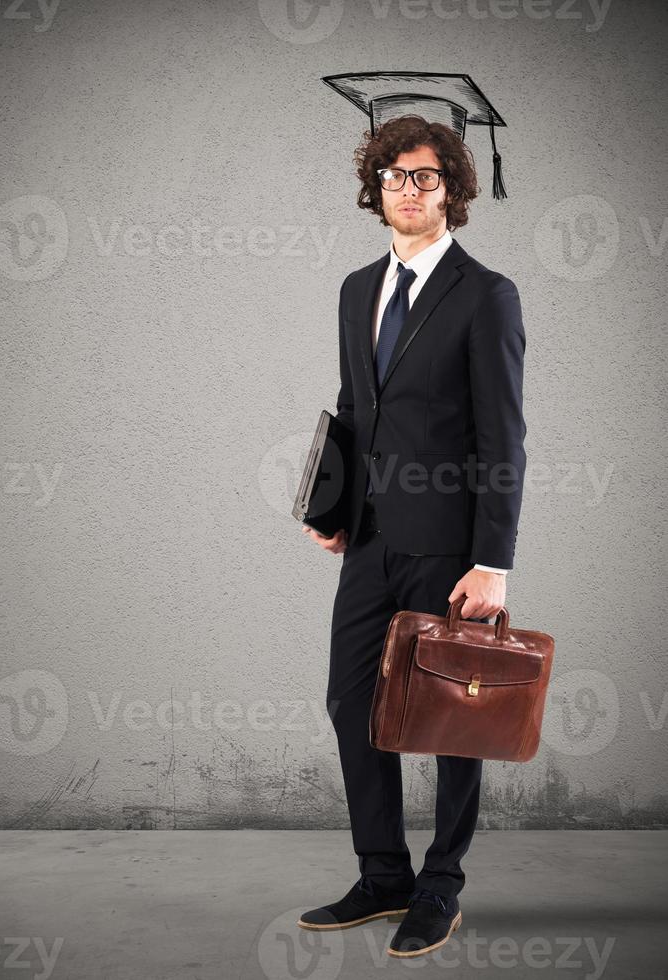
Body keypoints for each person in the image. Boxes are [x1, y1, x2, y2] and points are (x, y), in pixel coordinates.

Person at [298, 114, 527, 958]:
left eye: (424, 177)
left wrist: (493, 561)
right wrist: (333, 509)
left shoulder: (486, 294)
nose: (406, 189)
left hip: (450, 546)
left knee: (450, 721)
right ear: (375, 186)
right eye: (393, 175)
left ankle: (441, 886)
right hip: (371, 539)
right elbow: (357, 410)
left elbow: (504, 436)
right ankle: (383, 874)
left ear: (454, 190)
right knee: (352, 702)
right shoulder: (359, 288)